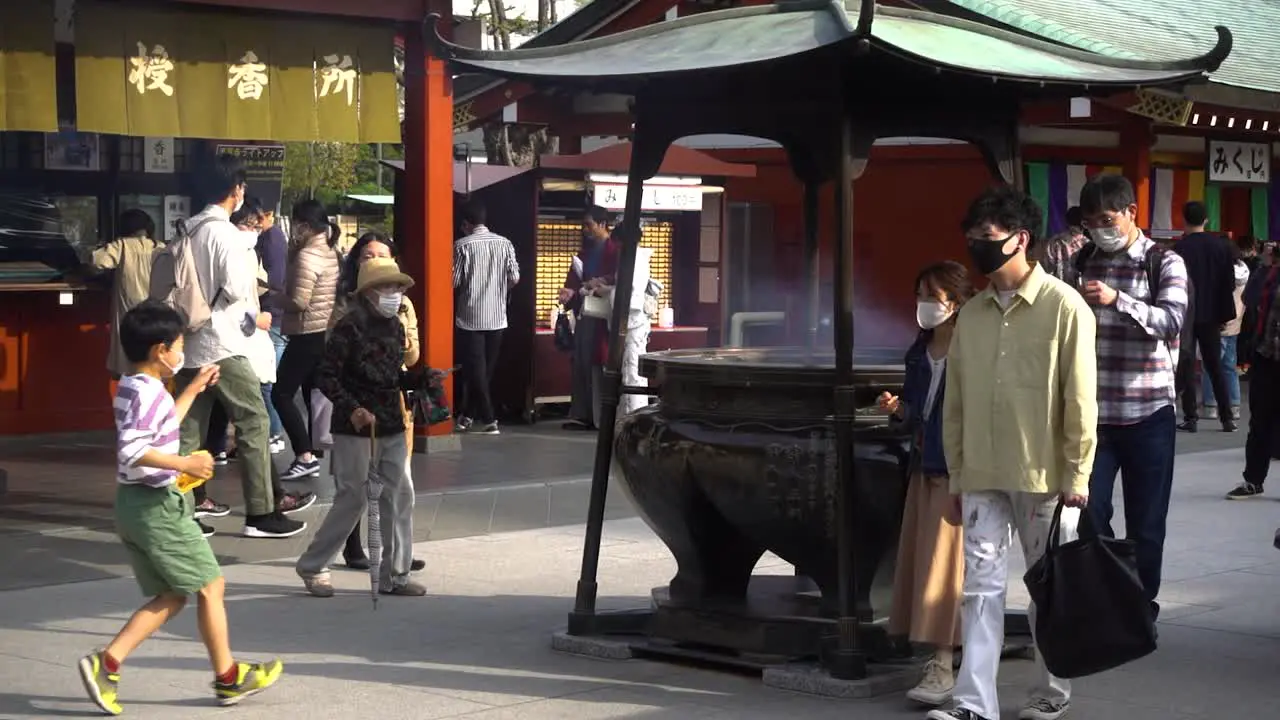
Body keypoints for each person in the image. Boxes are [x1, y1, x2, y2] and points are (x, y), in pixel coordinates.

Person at [931, 186, 1097, 720]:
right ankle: (974, 700)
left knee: (1047, 587)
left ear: (1020, 239)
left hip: (1044, 474)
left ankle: (1054, 690)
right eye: (973, 238)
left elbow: (1080, 398)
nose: (978, 248)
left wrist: (1078, 474)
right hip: (980, 470)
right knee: (978, 590)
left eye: (988, 238)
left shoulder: (1065, 307)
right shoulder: (973, 315)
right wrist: (957, 474)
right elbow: (953, 402)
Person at [78, 300, 283, 715]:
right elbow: (134, 449)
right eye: (178, 345)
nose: (181, 352)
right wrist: (185, 463)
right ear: (160, 350)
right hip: (156, 506)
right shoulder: (147, 392)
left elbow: (159, 427)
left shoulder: (136, 387)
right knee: (211, 586)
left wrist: (191, 390)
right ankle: (228, 679)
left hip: (135, 504)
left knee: (172, 595)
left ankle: (109, 663)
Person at [1072, 174, 1188, 620]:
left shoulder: (1164, 261)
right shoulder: (1084, 260)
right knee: (1088, 511)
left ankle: (1140, 605)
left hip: (1148, 412)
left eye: (1106, 219)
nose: (1100, 229)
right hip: (1094, 415)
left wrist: (1119, 299)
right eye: (1090, 222)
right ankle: (1108, 592)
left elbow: (1172, 321)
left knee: (1146, 522)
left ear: (1130, 213)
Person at [173, 154, 303, 539]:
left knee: (187, 432)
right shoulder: (224, 233)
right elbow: (235, 290)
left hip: (188, 342)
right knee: (254, 420)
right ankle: (261, 512)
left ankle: (183, 511)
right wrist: (255, 316)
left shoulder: (187, 228)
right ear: (236, 190)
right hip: (223, 341)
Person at [295, 257, 426, 598]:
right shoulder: (348, 327)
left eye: (397, 287)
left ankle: (394, 576)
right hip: (355, 428)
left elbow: (394, 375)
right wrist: (353, 409)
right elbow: (326, 376)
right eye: (386, 287)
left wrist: (420, 379)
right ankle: (313, 566)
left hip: (391, 424)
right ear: (368, 293)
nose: (394, 293)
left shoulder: (396, 327)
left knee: (398, 497)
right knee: (352, 498)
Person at [878, 261, 972, 708]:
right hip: (925, 464)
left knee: (945, 567)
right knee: (925, 560)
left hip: (961, 468)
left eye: (932, 296)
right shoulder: (919, 351)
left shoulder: (974, 345)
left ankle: (943, 661)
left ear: (955, 301)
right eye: (919, 294)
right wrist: (898, 410)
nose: (924, 305)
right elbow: (915, 413)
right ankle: (941, 655)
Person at [330, 232, 425, 574]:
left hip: (392, 409)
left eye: (381, 255)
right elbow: (331, 368)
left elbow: (412, 357)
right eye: (367, 255)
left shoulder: (403, 308)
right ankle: (330, 556)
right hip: (357, 414)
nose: (374, 261)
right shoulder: (347, 313)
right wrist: (351, 406)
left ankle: (396, 564)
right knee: (354, 492)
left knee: (399, 489)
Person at [274, 200, 341, 480]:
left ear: (305, 224)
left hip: (305, 333)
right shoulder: (329, 250)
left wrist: (273, 296)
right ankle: (312, 453)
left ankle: (304, 455)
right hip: (321, 332)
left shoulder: (306, 256)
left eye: (296, 222)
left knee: (281, 394)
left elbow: (299, 302)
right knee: (311, 395)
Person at [453, 200, 519, 435]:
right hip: (497, 315)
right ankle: (468, 415)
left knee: (476, 369)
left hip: (470, 315)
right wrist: (499, 291)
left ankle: (489, 418)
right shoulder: (505, 243)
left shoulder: (462, 245)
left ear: (466, 224)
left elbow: (454, 281)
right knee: (485, 369)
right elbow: (515, 277)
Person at [1174, 200, 1239, 432]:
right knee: (1215, 366)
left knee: (1187, 365)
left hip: (1186, 314)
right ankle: (1227, 417)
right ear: (1206, 220)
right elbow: (1229, 283)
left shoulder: (1178, 249)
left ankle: (1191, 417)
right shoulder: (1221, 247)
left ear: (1184, 219)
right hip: (1212, 313)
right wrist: (1224, 314)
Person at [559, 206, 618, 430]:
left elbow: (620, 276)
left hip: (604, 314)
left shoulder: (615, 250)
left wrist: (600, 281)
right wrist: (569, 291)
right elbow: (574, 280)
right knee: (582, 361)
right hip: (585, 311)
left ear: (602, 224)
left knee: (598, 363)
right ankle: (583, 413)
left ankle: (600, 416)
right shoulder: (583, 254)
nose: (585, 230)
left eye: (589, 224)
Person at [89, 208, 163, 379]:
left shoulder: (122, 246)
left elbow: (96, 261)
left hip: (129, 314)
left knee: (129, 364)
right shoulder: (159, 247)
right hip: (155, 313)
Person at [1202, 241, 1250, 421]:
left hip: (1219, 324)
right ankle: (1235, 404)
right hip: (1235, 325)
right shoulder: (1245, 271)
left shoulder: (1222, 273)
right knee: (1230, 367)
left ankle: (1211, 405)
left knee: (1210, 367)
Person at [256, 205, 289, 454]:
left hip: (272, 318)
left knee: (269, 382)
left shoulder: (272, 240)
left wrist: (264, 304)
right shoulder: (270, 238)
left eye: (259, 217)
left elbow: (274, 281)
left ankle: (275, 434)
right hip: (274, 316)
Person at [1037, 206, 1088, 283]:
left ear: (1067, 221)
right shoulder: (1088, 243)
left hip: (1058, 288)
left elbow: (1047, 266)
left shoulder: (1055, 241)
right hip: (1081, 290)